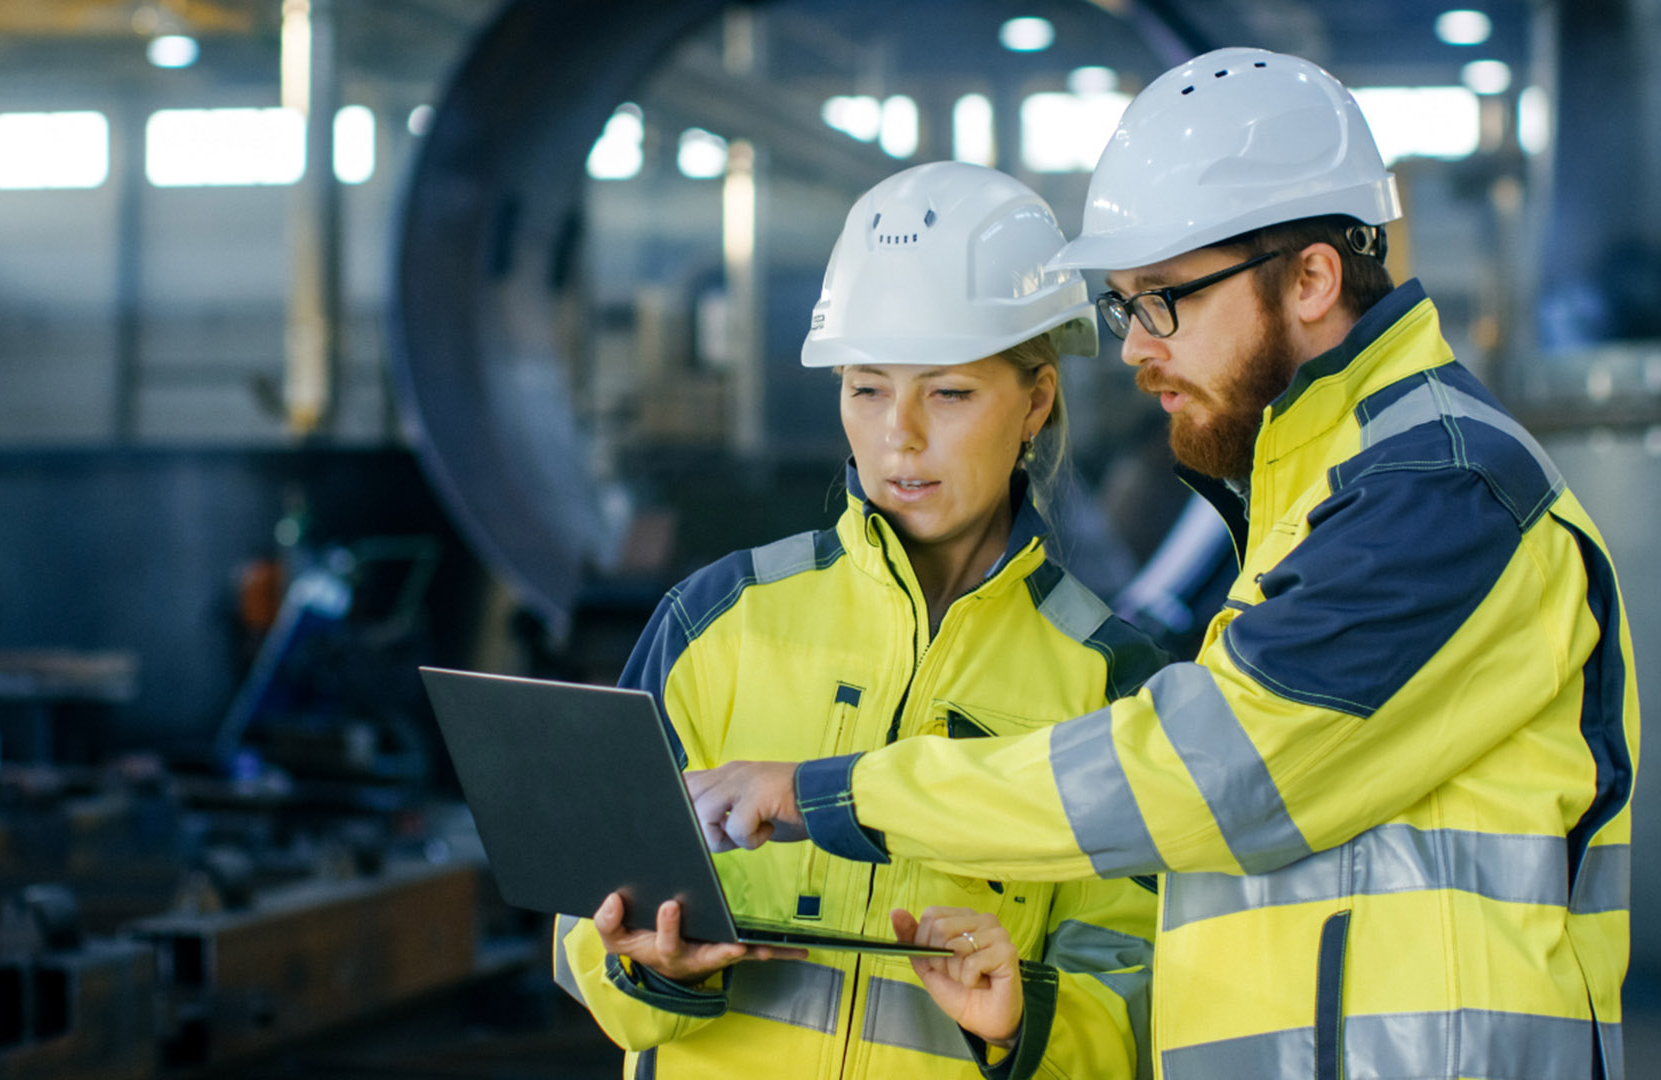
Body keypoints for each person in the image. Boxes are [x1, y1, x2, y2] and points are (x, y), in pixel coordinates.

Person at [684, 47, 1640, 1080]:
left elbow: (1207, 774)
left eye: (1164, 298)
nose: (1137, 348)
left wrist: (837, 793)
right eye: (1127, 304)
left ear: (1314, 277)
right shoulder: (1314, 492)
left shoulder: (1439, 488)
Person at [553, 161, 1166, 1079]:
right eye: (867, 387)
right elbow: (583, 922)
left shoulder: (1108, 683)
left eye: (948, 392)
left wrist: (1019, 1024)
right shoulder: (720, 619)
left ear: (1036, 400)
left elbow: (1136, 991)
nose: (899, 436)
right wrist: (650, 966)